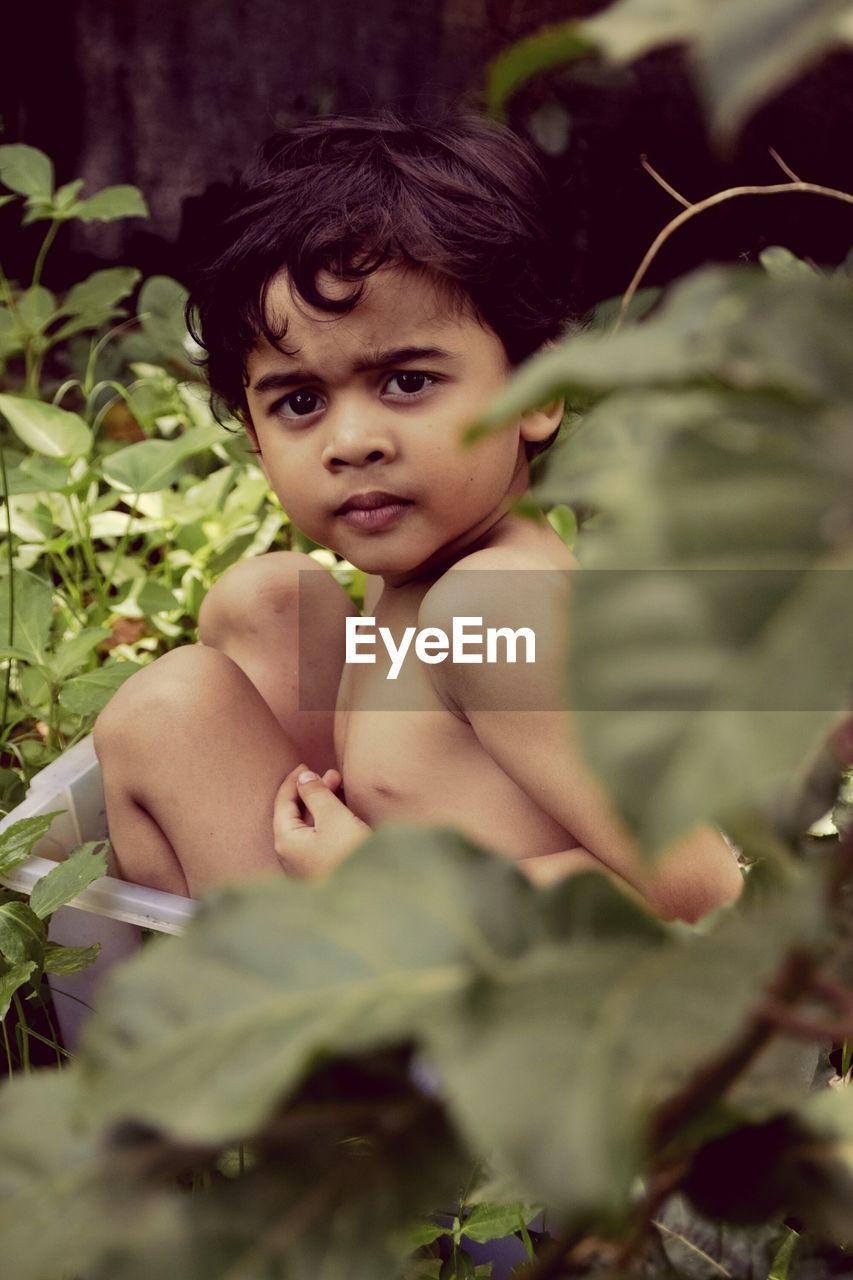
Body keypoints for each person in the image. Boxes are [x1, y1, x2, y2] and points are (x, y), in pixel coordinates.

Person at [93, 112, 743, 921]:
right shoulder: (436, 582)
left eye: (406, 381)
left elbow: (701, 894)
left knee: (169, 712)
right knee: (268, 601)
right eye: (299, 402)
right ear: (256, 441)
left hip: (487, 1015)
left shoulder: (495, 607)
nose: (354, 442)